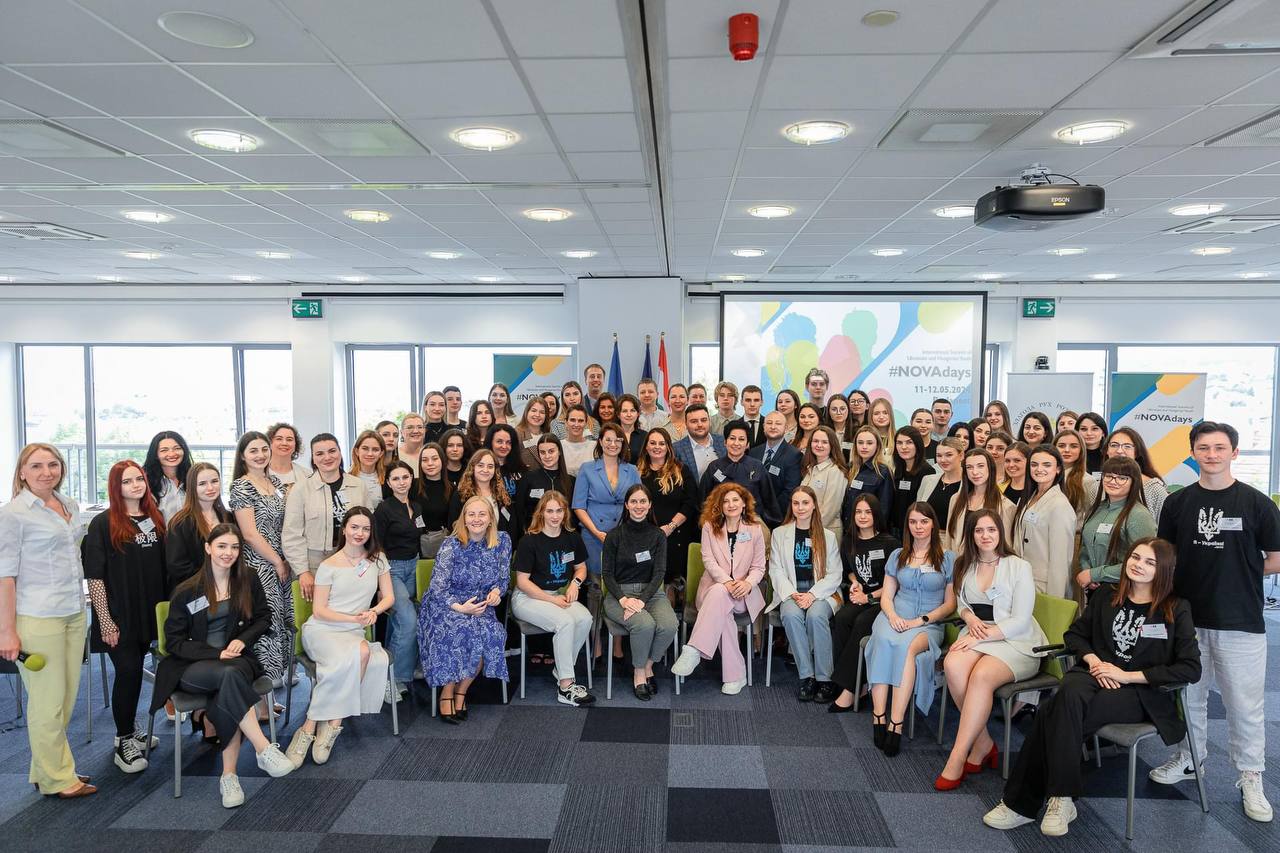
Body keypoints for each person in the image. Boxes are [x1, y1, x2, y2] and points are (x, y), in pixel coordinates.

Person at [984, 538, 1200, 837]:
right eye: (1135, 557)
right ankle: (1061, 798)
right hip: (1093, 674)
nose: (1138, 565)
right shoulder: (1107, 596)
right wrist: (1094, 660)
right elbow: (1075, 635)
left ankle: (1022, 804)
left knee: (1051, 713)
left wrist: (1127, 676)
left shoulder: (1175, 608)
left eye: (1149, 562)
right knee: (1069, 695)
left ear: (1163, 570)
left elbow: (1190, 668)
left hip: (1138, 691)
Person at [1149, 421, 1280, 821]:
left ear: (1234, 452)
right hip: (1186, 619)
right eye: (1203, 448)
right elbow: (1166, 559)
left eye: (1220, 448)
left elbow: (1276, 559)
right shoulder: (1177, 503)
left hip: (1240, 620)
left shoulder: (1257, 504)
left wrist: (1240, 572)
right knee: (1190, 697)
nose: (1211, 454)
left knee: (1244, 704)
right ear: (1193, 453)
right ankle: (1190, 758)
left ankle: (1251, 776)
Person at [153, 524, 294, 806]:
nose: (228, 553)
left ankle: (229, 777)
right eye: (221, 546)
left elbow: (264, 617)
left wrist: (242, 640)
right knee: (230, 678)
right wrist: (215, 654)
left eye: (234, 547)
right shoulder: (187, 590)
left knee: (229, 682)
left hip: (238, 660)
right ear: (208, 548)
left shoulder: (247, 579)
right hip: (195, 664)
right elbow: (174, 643)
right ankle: (262, 748)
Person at [0, 445, 93, 797]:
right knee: (47, 701)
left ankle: (46, 768)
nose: (46, 472)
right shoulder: (13, 514)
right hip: (37, 616)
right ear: (22, 472)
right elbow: (5, 576)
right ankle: (58, 779)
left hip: (73, 610)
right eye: (36, 466)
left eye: (53, 464)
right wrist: (6, 630)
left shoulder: (68, 505)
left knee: (65, 698)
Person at [936, 510, 1046, 789]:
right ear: (971, 535)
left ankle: (957, 755)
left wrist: (980, 639)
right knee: (952, 665)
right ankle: (983, 742)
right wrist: (969, 618)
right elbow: (962, 603)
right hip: (978, 632)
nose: (985, 536)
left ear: (1000, 532)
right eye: (979, 530)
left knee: (981, 677)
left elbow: (1021, 620)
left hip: (1015, 640)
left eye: (991, 530)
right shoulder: (965, 564)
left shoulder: (1018, 566)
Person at [285, 507, 393, 766]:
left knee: (363, 652)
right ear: (344, 529)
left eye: (365, 528)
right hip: (323, 630)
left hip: (353, 632)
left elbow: (389, 597)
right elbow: (319, 611)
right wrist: (353, 619)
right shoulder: (328, 565)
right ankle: (309, 727)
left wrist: (374, 611)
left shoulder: (377, 560)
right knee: (346, 660)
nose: (360, 533)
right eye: (354, 527)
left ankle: (332, 724)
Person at [83, 460, 167, 773]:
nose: (135, 486)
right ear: (116, 487)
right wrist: (105, 620)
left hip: (147, 612)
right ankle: (123, 741)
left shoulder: (155, 518)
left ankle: (130, 728)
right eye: (127, 481)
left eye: (139, 479)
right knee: (129, 671)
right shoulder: (103, 523)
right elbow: (95, 577)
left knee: (134, 672)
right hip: (118, 615)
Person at [862, 503, 956, 756]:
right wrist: (892, 617)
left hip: (928, 622)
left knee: (905, 648)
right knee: (882, 640)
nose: (918, 527)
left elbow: (950, 604)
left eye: (924, 521)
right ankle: (878, 715)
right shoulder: (898, 555)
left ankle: (896, 722)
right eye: (913, 522)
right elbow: (886, 596)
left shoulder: (947, 558)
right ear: (908, 526)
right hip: (894, 615)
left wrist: (921, 620)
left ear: (933, 524)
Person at [419, 495, 510, 723]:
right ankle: (447, 692)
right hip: (446, 604)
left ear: (490, 518)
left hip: (479, 605)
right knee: (457, 632)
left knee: (491, 634)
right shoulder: (451, 544)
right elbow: (438, 588)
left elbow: (503, 580)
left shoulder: (502, 541)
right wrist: (461, 608)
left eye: (482, 514)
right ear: (464, 519)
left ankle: (462, 691)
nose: (476, 519)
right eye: (471, 514)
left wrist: (496, 593)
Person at [670, 483, 767, 695]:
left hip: (743, 594)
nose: (731, 504)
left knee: (721, 600)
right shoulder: (709, 527)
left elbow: (759, 567)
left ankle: (695, 649)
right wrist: (726, 582)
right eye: (725, 501)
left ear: (744, 503)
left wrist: (747, 583)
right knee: (721, 600)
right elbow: (708, 560)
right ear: (719, 506)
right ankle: (735, 676)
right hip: (711, 591)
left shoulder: (755, 530)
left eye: (735, 500)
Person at [512, 491, 596, 706]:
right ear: (541, 513)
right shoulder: (529, 541)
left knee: (585, 619)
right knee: (565, 622)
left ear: (565, 512)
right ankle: (566, 687)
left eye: (559, 510)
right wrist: (552, 601)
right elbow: (522, 582)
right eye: (550, 511)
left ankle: (561, 669)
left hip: (558, 595)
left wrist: (575, 584)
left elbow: (581, 568)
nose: (555, 516)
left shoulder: (572, 537)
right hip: (527, 598)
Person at [228, 431, 291, 703]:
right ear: (242, 456)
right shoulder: (241, 487)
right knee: (264, 625)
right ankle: (258, 703)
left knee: (280, 621)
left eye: (264, 449)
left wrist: (284, 560)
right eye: (253, 450)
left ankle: (268, 697)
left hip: (281, 562)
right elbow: (250, 534)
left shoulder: (274, 481)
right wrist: (276, 561)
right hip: (259, 565)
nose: (260, 455)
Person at [767, 486, 843, 703]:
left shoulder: (828, 536)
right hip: (791, 591)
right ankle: (807, 677)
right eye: (796, 503)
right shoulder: (779, 534)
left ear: (814, 506)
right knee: (790, 615)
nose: (800, 507)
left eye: (805, 503)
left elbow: (835, 573)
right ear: (791, 506)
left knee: (816, 616)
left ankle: (825, 679)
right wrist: (793, 593)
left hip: (821, 592)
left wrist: (812, 594)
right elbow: (776, 570)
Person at [602, 484, 678, 699]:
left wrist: (642, 600)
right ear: (626, 505)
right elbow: (607, 574)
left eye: (643, 501)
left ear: (650, 504)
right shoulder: (614, 536)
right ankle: (639, 674)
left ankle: (647, 666)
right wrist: (624, 600)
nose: (638, 506)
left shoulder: (658, 535)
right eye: (633, 501)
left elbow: (659, 573)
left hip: (651, 594)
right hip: (618, 595)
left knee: (669, 625)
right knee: (644, 624)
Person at [828, 494, 898, 712]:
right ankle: (851, 682)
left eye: (868, 512)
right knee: (841, 618)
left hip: (884, 600)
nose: (863, 516)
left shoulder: (890, 544)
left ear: (876, 514)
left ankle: (850, 689)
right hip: (861, 596)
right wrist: (855, 582)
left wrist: (869, 597)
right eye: (858, 512)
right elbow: (849, 570)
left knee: (861, 623)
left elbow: (895, 582)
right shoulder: (849, 541)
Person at [283, 433, 373, 603]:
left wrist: (366, 558)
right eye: (319, 453)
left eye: (332, 451)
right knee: (319, 611)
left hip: (353, 558)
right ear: (313, 459)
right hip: (314, 563)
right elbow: (291, 535)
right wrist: (303, 572)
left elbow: (369, 526)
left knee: (351, 608)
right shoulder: (301, 489)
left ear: (340, 452)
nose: (327, 457)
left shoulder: (358, 485)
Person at [572, 424, 642, 615]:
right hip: (593, 536)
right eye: (608, 439)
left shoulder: (632, 470)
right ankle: (595, 632)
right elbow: (578, 506)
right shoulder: (587, 469)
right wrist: (596, 532)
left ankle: (615, 631)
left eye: (617, 440)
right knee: (595, 586)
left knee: (620, 586)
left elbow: (639, 503)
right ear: (600, 442)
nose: (613, 444)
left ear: (623, 443)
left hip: (623, 537)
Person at [374, 461, 426, 699]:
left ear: (411, 479)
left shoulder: (417, 506)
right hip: (391, 569)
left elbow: (420, 539)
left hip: (415, 566)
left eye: (405, 477)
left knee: (401, 620)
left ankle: (395, 671)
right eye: (395, 478)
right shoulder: (384, 509)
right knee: (407, 621)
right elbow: (376, 546)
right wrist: (380, 583)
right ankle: (392, 679)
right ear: (388, 482)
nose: (401, 482)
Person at [636, 428, 699, 603]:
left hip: (677, 534)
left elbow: (690, 502)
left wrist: (670, 527)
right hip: (647, 534)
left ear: (668, 447)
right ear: (646, 447)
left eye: (661, 443)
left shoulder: (681, 470)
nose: (657, 447)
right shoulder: (637, 472)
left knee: (674, 583)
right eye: (652, 443)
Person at [1076, 457, 1156, 592]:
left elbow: (1142, 562)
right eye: (1109, 476)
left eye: (1122, 478)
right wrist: (1087, 571)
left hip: (1124, 590)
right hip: (1094, 589)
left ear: (1134, 482)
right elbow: (1085, 548)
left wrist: (1095, 574)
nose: (1113, 481)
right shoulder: (1097, 508)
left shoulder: (1139, 515)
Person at [1011, 445, 1077, 599]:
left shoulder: (1059, 505)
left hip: (1044, 585)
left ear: (1058, 469)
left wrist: (1055, 598)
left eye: (1046, 465)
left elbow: (1060, 559)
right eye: (1034, 465)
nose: (1039, 469)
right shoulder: (1031, 496)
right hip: (1022, 578)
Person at [165, 462, 231, 594]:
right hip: (195, 592)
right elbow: (177, 566)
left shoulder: (229, 517)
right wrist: (213, 580)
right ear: (192, 487)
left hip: (228, 588)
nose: (210, 487)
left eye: (214, 481)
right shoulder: (180, 523)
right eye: (202, 484)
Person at [700, 421, 775, 525]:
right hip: (720, 524)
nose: (736, 443)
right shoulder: (714, 467)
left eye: (741, 439)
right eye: (732, 438)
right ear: (725, 442)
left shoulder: (757, 467)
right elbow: (704, 500)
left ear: (747, 444)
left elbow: (769, 501)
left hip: (752, 524)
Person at [944, 448, 1016, 551]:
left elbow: (1006, 545)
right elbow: (949, 539)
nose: (974, 472)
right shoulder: (955, 499)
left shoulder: (1006, 506)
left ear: (990, 468)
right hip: (958, 559)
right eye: (969, 467)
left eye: (980, 466)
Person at [1104, 427, 1169, 522]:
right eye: (1114, 445)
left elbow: (1166, 524)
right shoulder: (1098, 485)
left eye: (1127, 446)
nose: (1119, 451)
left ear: (1137, 452)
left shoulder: (1153, 488)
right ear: (1107, 450)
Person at [749, 411, 803, 523]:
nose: (773, 427)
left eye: (778, 423)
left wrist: (767, 514)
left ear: (785, 428)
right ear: (763, 427)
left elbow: (790, 490)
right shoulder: (753, 452)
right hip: (751, 515)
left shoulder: (794, 455)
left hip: (777, 518)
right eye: (769, 423)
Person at [515, 434, 576, 532]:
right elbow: (519, 510)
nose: (547, 456)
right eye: (542, 452)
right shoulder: (528, 478)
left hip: (564, 534)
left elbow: (574, 514)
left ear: (559, 451)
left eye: (551, 451)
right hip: (534, 533)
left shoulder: (571, 481)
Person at [446, 449, 514, 535]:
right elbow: (453, 526)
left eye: (490, 466)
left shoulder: (502, 494)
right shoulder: (461, 495)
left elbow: (510, 523)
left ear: (495, 470)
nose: (485, 470)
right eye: (480, 465)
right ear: (472, 468)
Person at [801, 426, 850, 545]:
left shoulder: (835, 471)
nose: (819, 445)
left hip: (825, 530)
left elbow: (830, 510)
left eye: (824, 442)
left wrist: (810, 530)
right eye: (815, 441)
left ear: (832, 445)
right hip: (808, 528)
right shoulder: (810, 468)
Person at [844, 425, 895, 531]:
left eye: (869, 443)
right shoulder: (849, 468)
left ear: (877, 445)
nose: (864, 447)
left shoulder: (883, 471)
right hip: (848, 529)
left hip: (869, 531)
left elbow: (884, 509)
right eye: (860, 442)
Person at [413, 443, 453, 559]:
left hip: (443, 542)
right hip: (416, 544)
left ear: (442, 461)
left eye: (434, 459)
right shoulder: (413, 486)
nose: (430, 463)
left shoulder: (452, 489)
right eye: (424, 460)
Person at [143, 430, 192, 522]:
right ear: (155, 454)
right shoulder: (146, 483)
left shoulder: (193, 478)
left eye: (177, 448)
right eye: (164, 450)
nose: (172, 454)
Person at [889, 427, 929, 537]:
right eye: (899, 443)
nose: (904, 447)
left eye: (909, 442)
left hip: (915, 529)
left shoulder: (927, 471)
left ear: (918, 445)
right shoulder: (898, 468)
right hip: (896, 529)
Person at [919, 437, 964, 527]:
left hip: (956, 535)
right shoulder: (927, 480)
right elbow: (919, 512)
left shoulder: (970, 484)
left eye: (949, 455)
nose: (943, 460)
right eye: (939, 456)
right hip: (929, 534)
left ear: (961, 455)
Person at [1054, 428, 1098, 518]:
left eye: (1073, 446)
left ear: (1081, 450)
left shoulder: (1088, 481)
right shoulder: (1044, 477)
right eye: (1061, 446)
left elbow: (1095, 515)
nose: (1067, 450)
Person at [673, 404, 725, 481]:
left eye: (703, 420)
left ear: (709, 421)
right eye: (694, 421)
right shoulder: (676, 449)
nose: (700, 425)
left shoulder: (723, 442)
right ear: (686, 424)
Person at [486, 424, 527, 509]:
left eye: (508, 442)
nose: (504, 446)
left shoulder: (522, 469)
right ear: (490, 442)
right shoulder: (483, 470)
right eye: (499, 441)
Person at [267, 423, 310, 496]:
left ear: (295, 445)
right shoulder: (257, 474)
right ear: (269, 443)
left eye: (289, 439)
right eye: (279, 439)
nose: (284, 443)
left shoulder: (307, 475)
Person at [349, 429, 386, 509]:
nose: (370, 454)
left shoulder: (388, 478)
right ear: (357, 451)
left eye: (375, 449)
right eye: (365, 448)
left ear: (381, 453)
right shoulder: (346, 479)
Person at [560, 405, 598, 477]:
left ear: (586, 423)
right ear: (566, 422)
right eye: (572, 420)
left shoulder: (594, 446)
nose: (576, 424)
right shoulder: (559, 445)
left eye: (580, 421)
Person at [825, 393, 857, 465]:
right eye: (834, 409)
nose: (838, 413)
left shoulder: (857, 432)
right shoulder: (823, 432)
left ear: (848, 410)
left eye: (842, 409)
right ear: (828, 411)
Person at [616, 393, 647, 462]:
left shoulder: (645, 436)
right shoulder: (611, 435)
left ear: (638, 413)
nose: (629, 415)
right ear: (618, 414)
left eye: (632, 411)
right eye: (624, 411)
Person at [868, 398, 896, 468]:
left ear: (890, 415)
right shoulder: (865, 438)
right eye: (876, 413)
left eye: (885, 413)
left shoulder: (898, 439)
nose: (881, 417)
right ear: (871, 416)